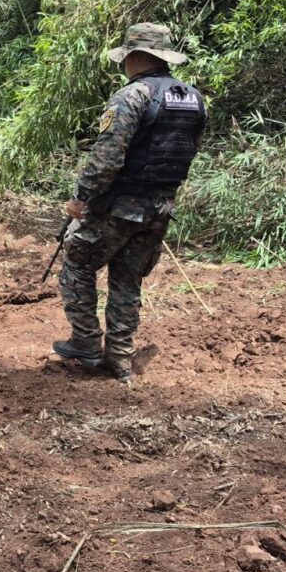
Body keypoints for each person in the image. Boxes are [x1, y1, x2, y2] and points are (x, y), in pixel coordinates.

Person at [53, 23, 206, 384]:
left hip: (120, 204)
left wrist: (81, 199)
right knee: (127, 276)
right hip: (161, 206)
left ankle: (86, 344)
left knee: (76, 261)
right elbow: (190, 150)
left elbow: (107, 158)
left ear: (135, 57)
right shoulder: (193, 98)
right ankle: (120, 356)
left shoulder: (132, 95)